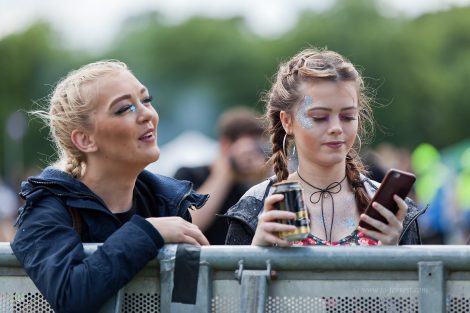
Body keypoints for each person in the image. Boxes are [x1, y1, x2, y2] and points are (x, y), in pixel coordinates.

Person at [10, 60, 209, 312]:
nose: (147, 114)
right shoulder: (46, 208)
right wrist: (147, 232)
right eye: (125, 108)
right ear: (85, 139)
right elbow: (69, 295)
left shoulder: (169, 202)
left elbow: (187, 301)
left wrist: (253, 249)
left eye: (146, 100)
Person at [225, 48, 425, 247]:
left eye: (348, 116)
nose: (336, 128)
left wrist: (395, 256)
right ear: (287, 121)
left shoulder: (390, 210)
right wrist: (256, 254)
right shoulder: (257, 205)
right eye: (319, 117)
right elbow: (229, 278)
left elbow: (424, 277)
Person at [174, 107, 270, 244]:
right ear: (226, 145)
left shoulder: (249, 188)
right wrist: (226, 171)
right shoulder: (188, 175)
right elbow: (190, 223)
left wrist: (261, 177)